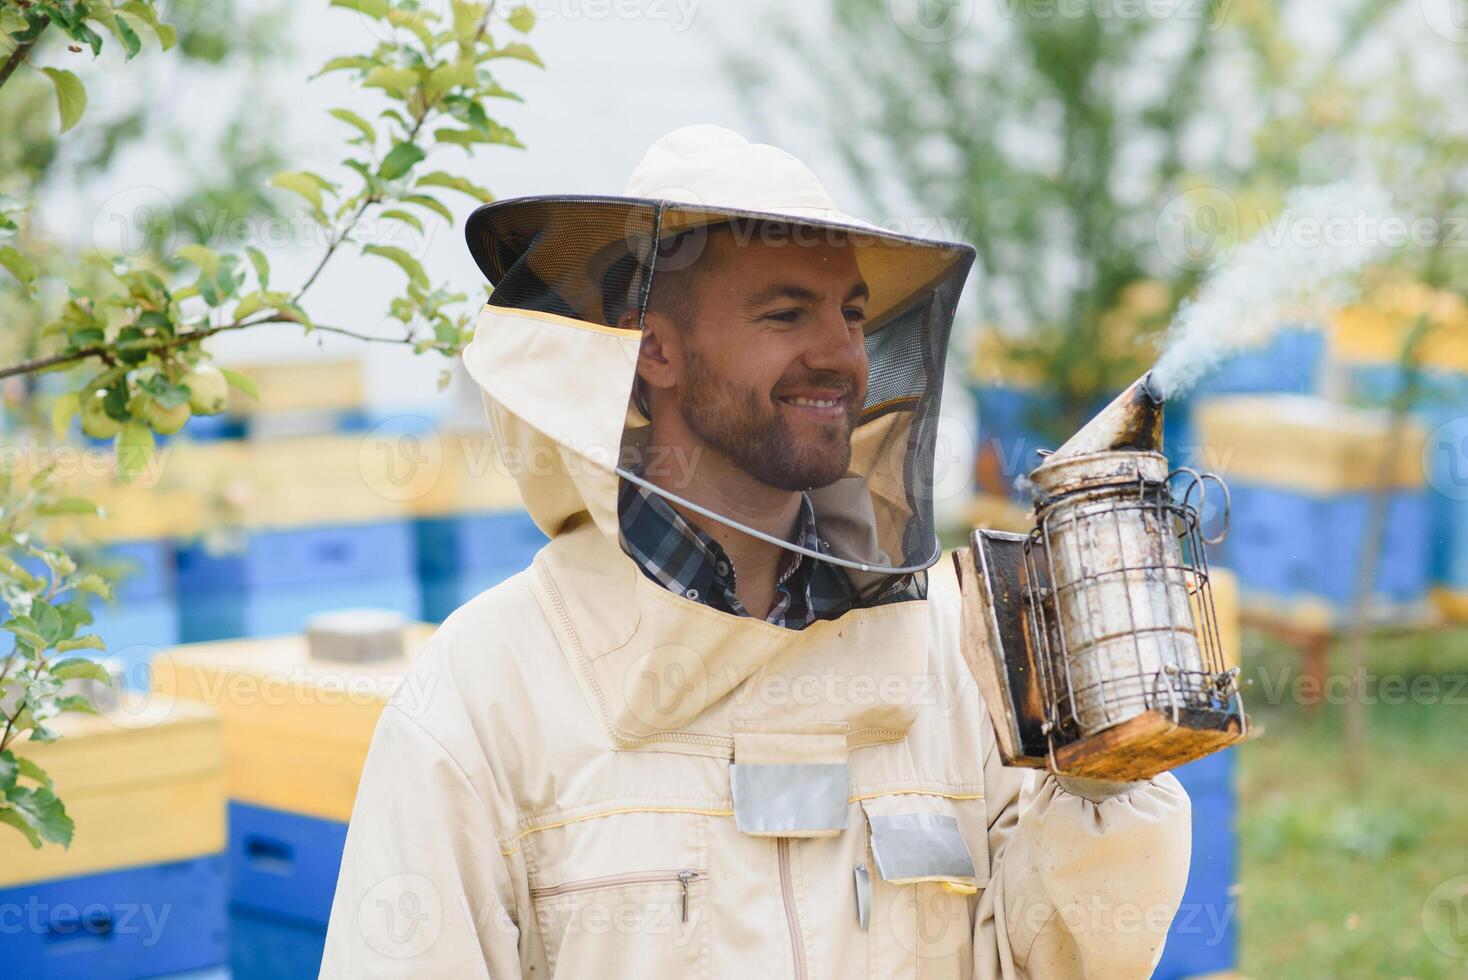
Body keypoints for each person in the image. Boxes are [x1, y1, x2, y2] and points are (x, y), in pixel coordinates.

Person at [321, 125, 1191, 978]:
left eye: (851, 317)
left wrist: (1105, 778)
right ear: (653, 347)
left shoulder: (952, 649)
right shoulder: (486, 689)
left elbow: (1058, 964)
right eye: (786, 314)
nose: (840, 357)